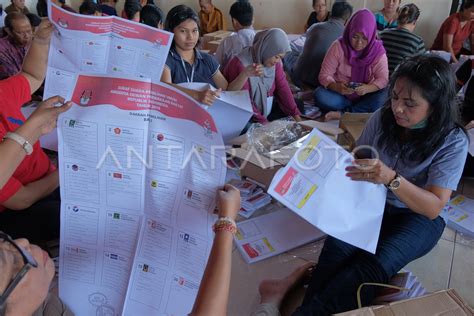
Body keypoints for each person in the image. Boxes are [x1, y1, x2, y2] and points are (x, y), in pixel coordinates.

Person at [255, 54, 468, 315]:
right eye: (395, 97)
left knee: (371, 267)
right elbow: (357, 157)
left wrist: (391, 178)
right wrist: (321, 169)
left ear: (435, 106)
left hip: (417, 216)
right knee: (335, 252)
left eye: (410, 103)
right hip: (371, 198)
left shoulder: (452, 140)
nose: (398, 108)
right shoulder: (382, 117)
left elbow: (434, 207)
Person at [0, 184, 240, 316]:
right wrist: (227, 222)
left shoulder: (33, 304)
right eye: (13, 262)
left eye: (4, 241)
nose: (21, 242)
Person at [0, 20, 61, 243]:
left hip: (47, 176)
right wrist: (61, 175)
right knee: (62, 216)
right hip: (15, 210)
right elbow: (21, 199)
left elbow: (31, 75)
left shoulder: (3, 92)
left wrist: (41, 40)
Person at [315, 9, 389, 121]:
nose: (359, 43)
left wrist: (367, 88)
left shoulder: (377, 51)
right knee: (320, 95)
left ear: (372, 35)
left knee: (385, 95)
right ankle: (359, 112)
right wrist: (336, 87)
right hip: (341, 95)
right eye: (355, 36)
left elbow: (383, 79)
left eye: (365, 38)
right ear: (350, 31)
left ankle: (344, 113)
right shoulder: (338, 46)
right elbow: (324, 75)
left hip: (366, 95)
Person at [161, 5, 237, 106]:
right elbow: (165, 88)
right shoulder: (166, 59)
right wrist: (196, 95)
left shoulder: (207, 59)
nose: (190, 37)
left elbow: (227, 90)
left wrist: (246, 73)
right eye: (183, 31)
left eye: (194, 30)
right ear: (171, 32)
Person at [224, 28, 302, 124]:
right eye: (276, 57)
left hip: (265, 107)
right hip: (247, 112)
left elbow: (283, 88)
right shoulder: (241, 64)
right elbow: (245, 103)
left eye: (280, 58)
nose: (277, 61)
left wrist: (297, 117)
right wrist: (266, 124)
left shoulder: (274, 63)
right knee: (248, 128)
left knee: (297, 106)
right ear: (267, 49)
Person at [292, 1, 353, 89]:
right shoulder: (348, 36)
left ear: (331, 13)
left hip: (299, 76)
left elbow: (302, 43)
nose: (320, 8)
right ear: (347, 20)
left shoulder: (315, 27)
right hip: (320, 82)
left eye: (323, 5)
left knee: (290, 51)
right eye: (318, 5)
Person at [379, 3, 425, 76]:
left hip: (377, 81)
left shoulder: (382, 34)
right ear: (414, 22)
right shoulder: (417, 42)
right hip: (398, 83)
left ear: (397, 19)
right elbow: (421, 68)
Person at [215, 0, 255, 70]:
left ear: (234, 21)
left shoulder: (227, 43)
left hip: (232, 80)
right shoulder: (261, 39)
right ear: (252, 19)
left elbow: (216, 68)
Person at [0, 13, 33, 80]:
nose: (26, 36)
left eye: (29, 31)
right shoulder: (2, 49)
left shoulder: (34, 41)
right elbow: (15, 78)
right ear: (8, 31)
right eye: (20, 33)